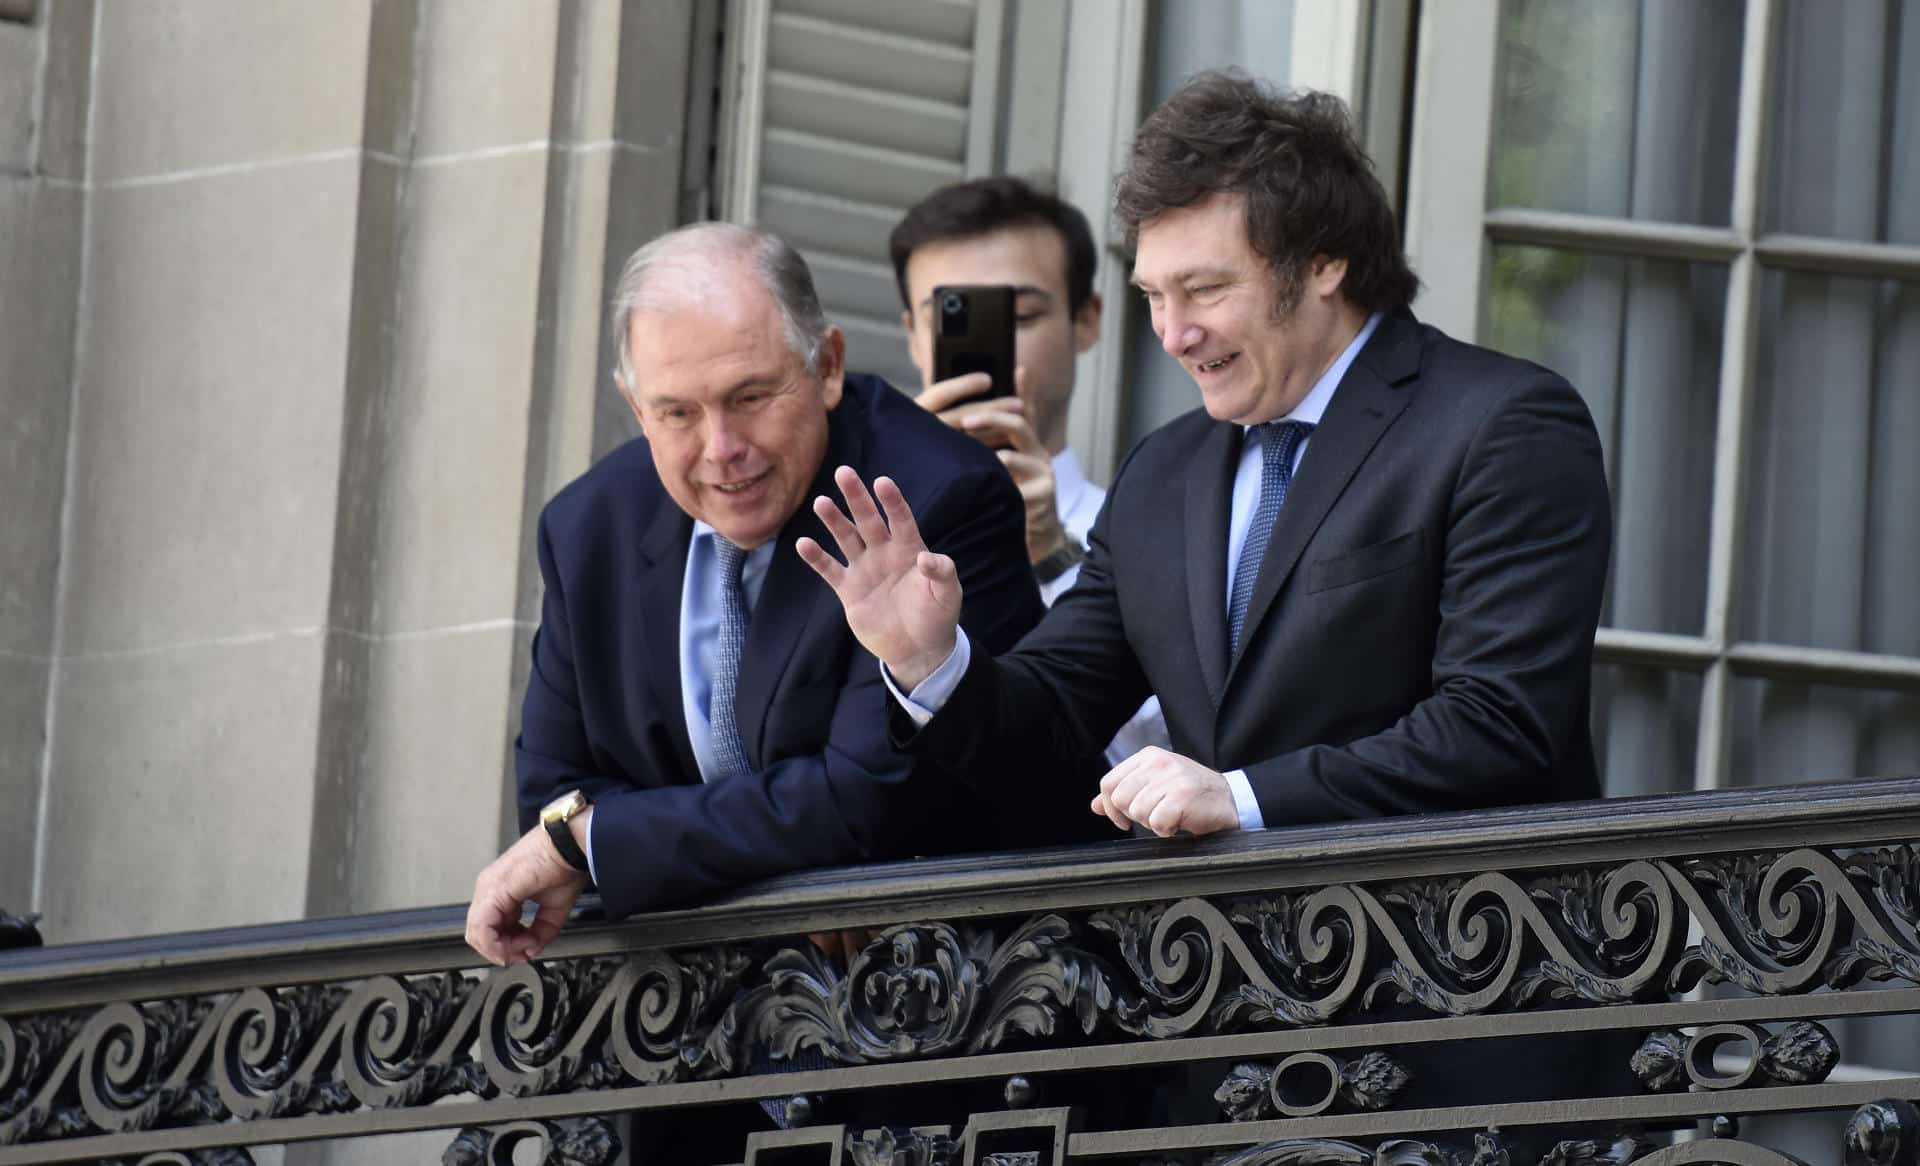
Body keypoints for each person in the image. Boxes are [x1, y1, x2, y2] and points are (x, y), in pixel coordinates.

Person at [800, 71, 1620, 1122]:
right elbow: (1048, 718)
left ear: (1324, 261)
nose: (1173, 332)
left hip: (1461, 1037)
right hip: (1219, 1056)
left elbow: (1499, 723)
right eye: (1152, 295)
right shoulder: (1165, 472)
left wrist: (1241, 797)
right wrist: (928, 660)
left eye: (1206, 289)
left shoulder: (1503, 423)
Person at [464, 222, 1058, 969]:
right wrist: (603, 839)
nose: (721, 449)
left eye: (749, 396)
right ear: (634, 402)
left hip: (938, 1010)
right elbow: (552, 798)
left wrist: (604, 841)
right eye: (676, 412)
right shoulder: (588, 528)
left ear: (829, 365)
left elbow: (866, 800)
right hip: (681, 1027)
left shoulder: (935, 496)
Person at [889, 177, 1169, 765]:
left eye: (1020, 314)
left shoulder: (1161, 537)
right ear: (913, 335)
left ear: (1087, 319)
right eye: (956, 316)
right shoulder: (851, 525)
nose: (997, 349)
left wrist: (1050, 553)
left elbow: (1161, 751)